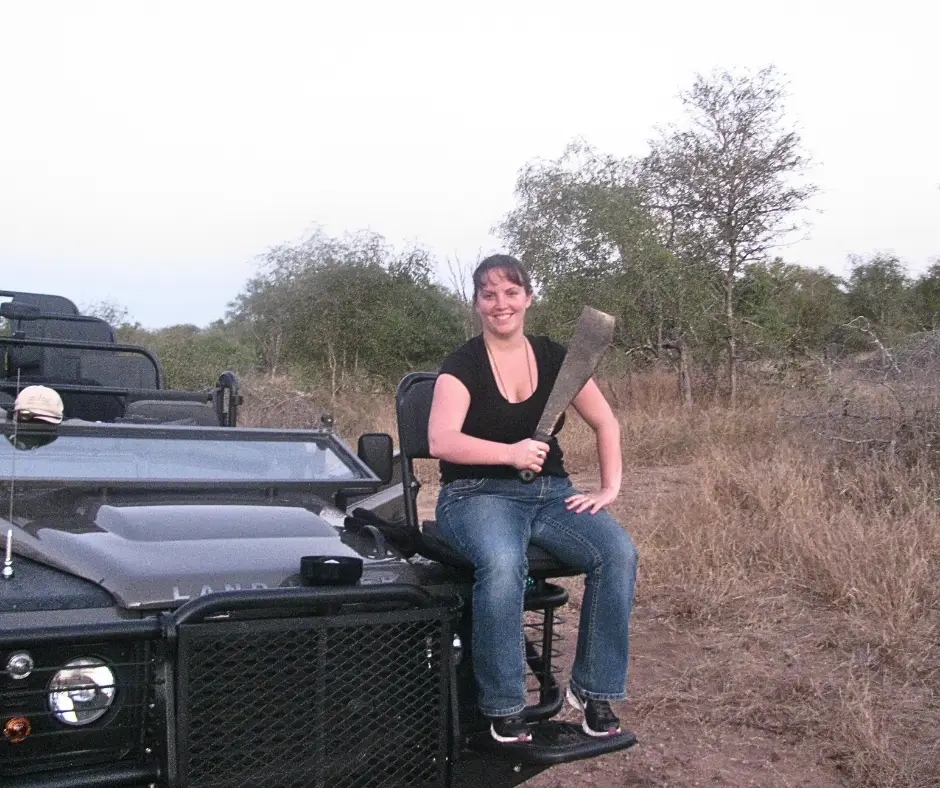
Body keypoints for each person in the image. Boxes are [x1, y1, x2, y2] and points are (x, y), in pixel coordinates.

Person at [428, 253, 638, 744]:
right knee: (503, 563)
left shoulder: (555, 357)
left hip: (550, 494)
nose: (501, 304)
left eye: (511, 292)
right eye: (489, 294)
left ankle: (593, 692)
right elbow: (441, 441)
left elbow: (606, 422)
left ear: (528, 297)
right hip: (474, 494)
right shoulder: (462, 364)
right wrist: (511, 452)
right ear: (477, 302)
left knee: (617, 553)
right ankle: (503, 706)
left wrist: (610, 488)